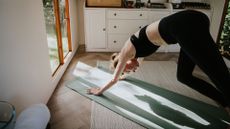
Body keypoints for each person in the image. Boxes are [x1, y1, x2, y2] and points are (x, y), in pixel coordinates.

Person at [87, 10, 230, 110]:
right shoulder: (137, 53)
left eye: (128, 68)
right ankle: (224, 101)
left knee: (216, 73)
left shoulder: (126, 51)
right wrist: (125, 75)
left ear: (123, 61)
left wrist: (99, 91)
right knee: (183, 76)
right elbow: (124, 73)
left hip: (186, 25)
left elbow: (114, 79)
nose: (134, 69)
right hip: (189, 24)